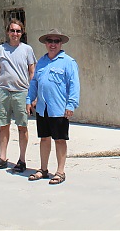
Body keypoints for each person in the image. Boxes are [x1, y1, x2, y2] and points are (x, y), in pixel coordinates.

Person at [26, 29, 80, 185]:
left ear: (61, 43)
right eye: (50, 41)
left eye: (56, 41)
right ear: (45, 43)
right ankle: (43, 169)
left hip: (59, 108)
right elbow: (35, 82)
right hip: (43, 108)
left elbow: (74, 85)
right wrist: (30, 99)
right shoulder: (41, 62)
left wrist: (71, 104)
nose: (53, 44)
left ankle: (60, 171)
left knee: (60, 140)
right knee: (44, 139)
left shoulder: (68, 62)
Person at [0, 19, 36, 173]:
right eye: (12, 30)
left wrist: (32, 95)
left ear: (22, 33)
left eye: (18, 31)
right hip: (3, 91)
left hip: (21, 92)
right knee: (4, 125)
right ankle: (2, 158)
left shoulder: (27, 50)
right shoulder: (0, 49)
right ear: (8, 32)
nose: (15, 34)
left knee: (22, 126)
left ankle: (21, 160)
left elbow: (32, 72)